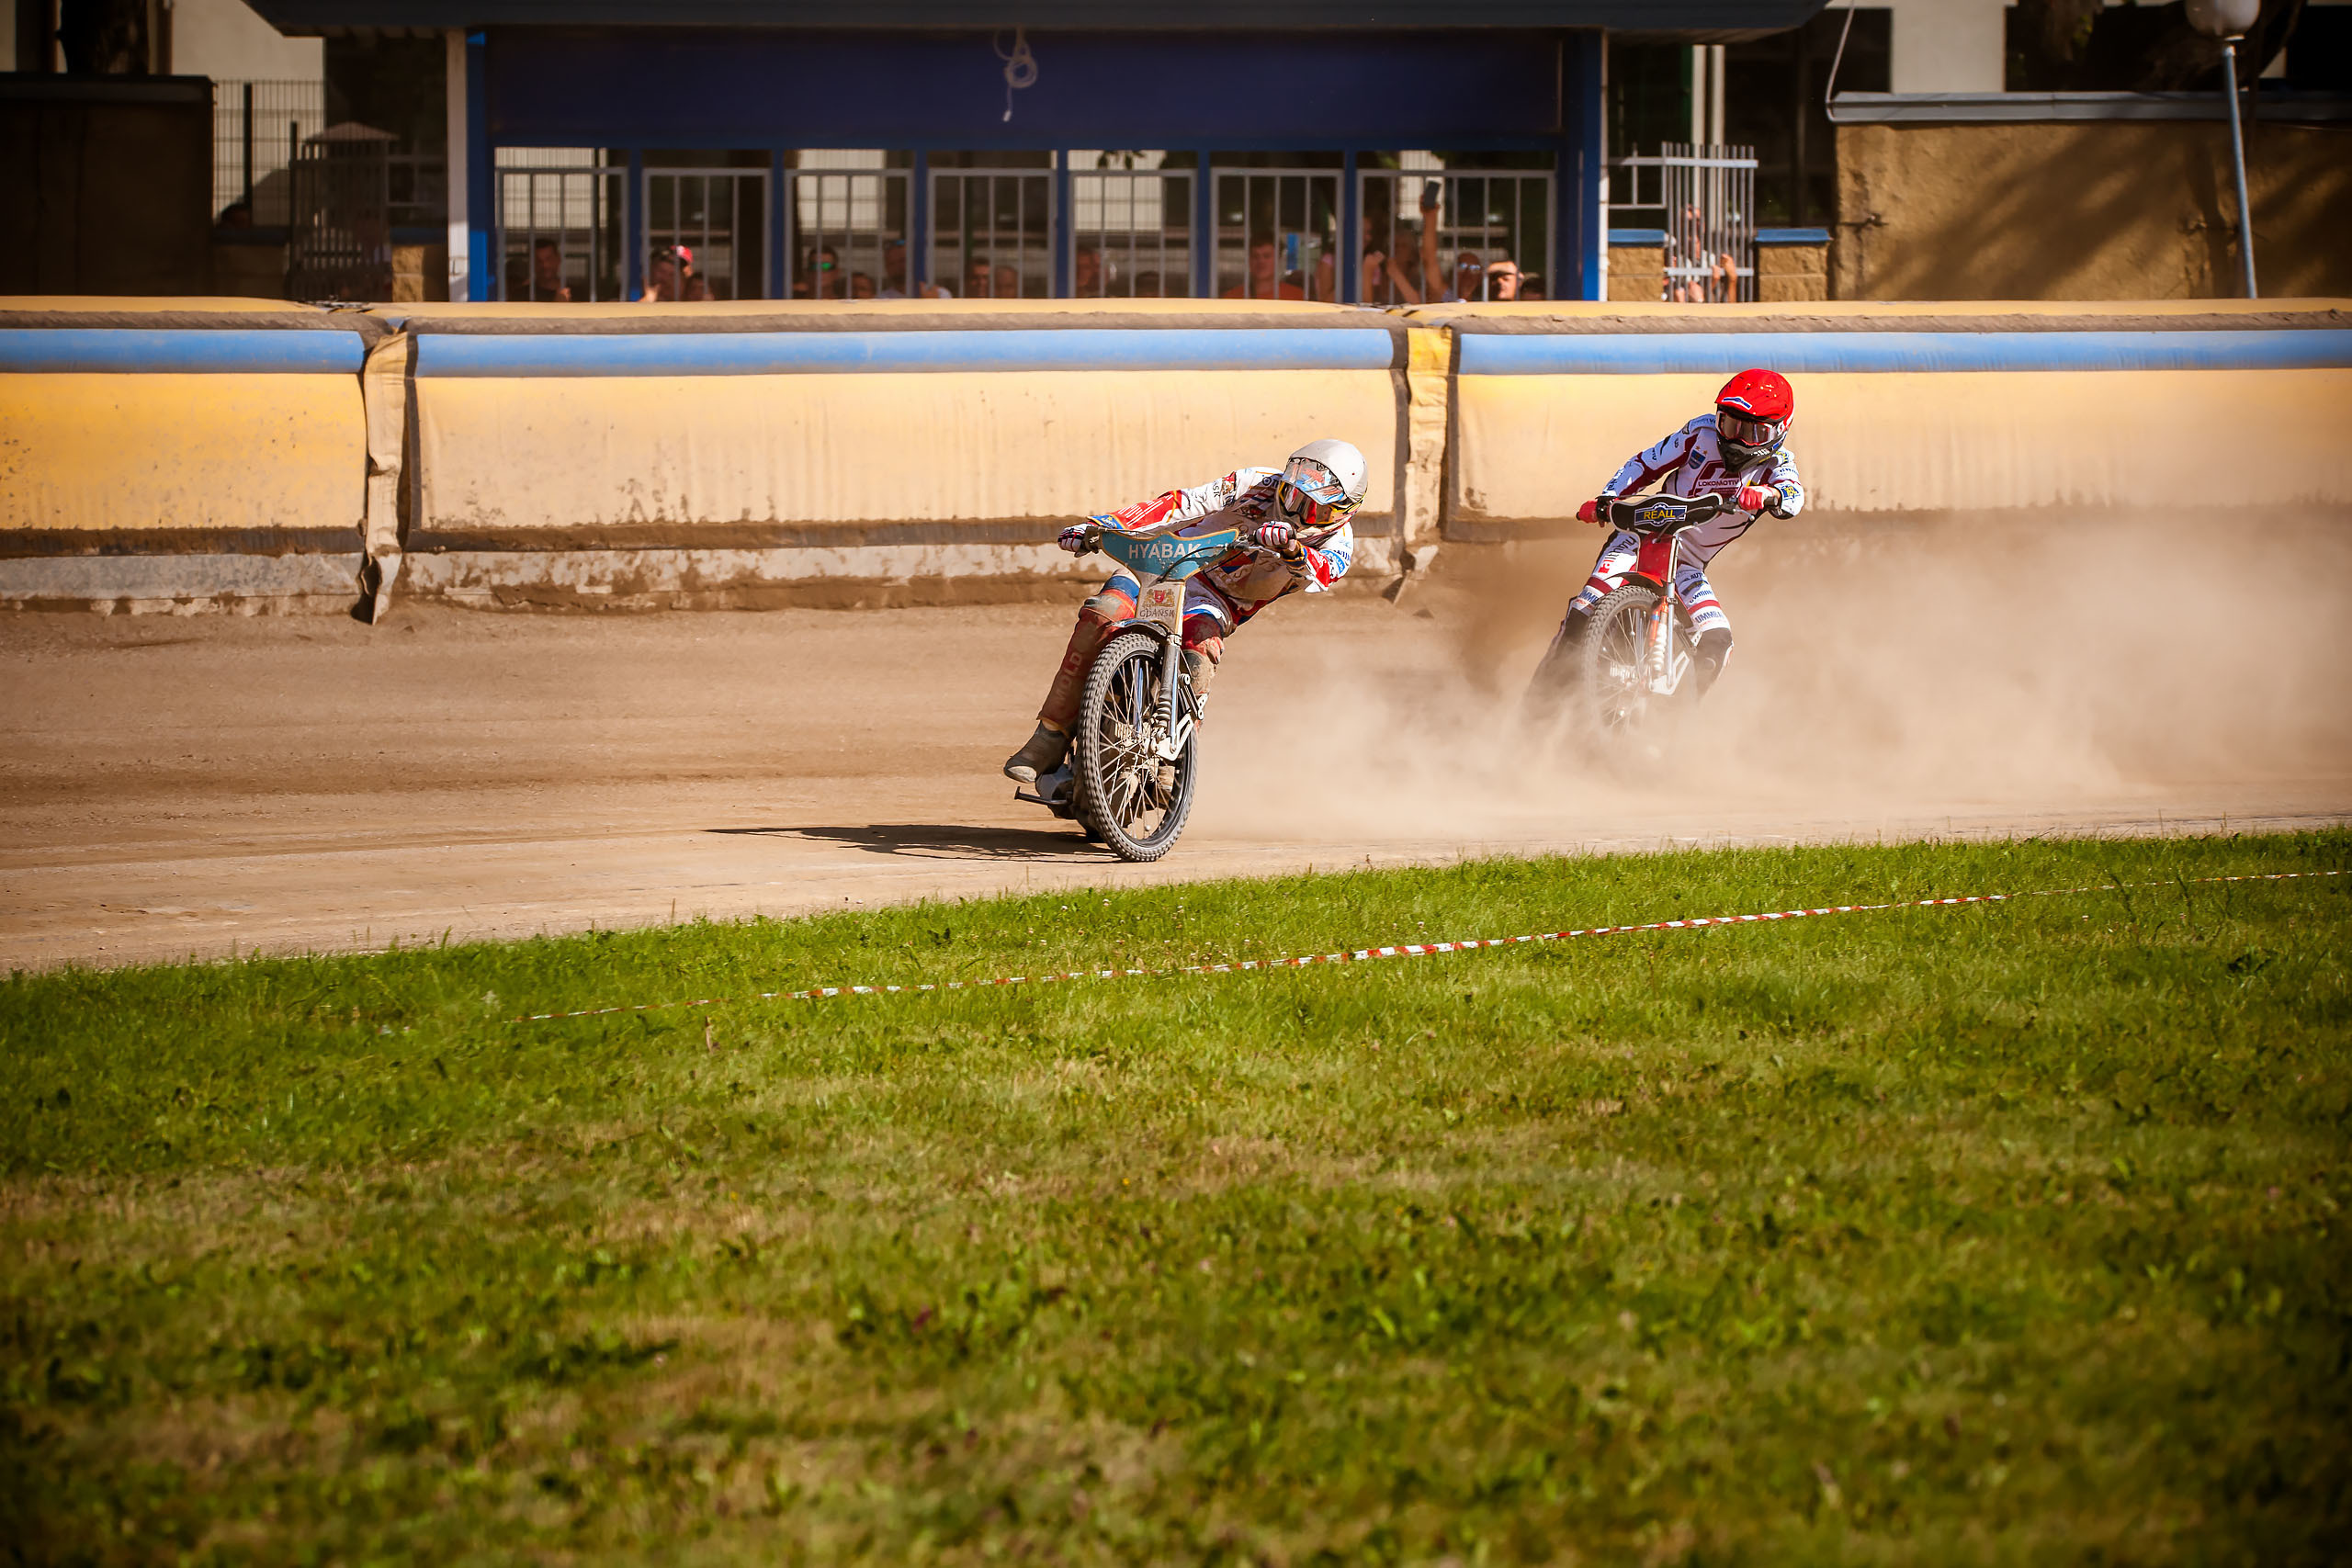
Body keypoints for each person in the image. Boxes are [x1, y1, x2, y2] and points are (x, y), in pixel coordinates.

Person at [1002, 439, 1369, 784]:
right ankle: (1048, 736)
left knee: (1201, 652)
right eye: (1290, 493)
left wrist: (1292, 550)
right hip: (1164, 566)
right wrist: (1101, 526)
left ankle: (1171, 763)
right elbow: (1180, 504)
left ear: (1341, 512)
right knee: (1103, 612)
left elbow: (1322, 571)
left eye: (1312, 506)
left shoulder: (1340, 542)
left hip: (1218, 602)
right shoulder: (1253, 482)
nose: (1293, 509)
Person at [1539, 369, 1804, 701]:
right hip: (1640, 538)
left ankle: (1671, 727)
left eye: (1752, 432)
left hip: (1688, 567)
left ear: (1778, 431)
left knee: (1718, 642)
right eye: (1729, 424)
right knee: (1585, 607)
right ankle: (1542, 700)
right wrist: (1608, 498)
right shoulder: (1701, 432)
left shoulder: (1779, 463)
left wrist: (1770, 495)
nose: (1736, 439)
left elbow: (1794, 495)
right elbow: (1645, 464)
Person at [1222, 237, 1306, 301]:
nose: (1261, 261)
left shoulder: (1296, 297)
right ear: (1249, 259)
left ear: (1279, 259)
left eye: (1266, 256)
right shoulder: (1231, 298)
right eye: (1255, 256)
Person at [530, 238, 572, 302]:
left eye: (549, 259)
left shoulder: (578, 292)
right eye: (539, 260)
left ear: (558, 259)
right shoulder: (521, 294)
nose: (545, 265)